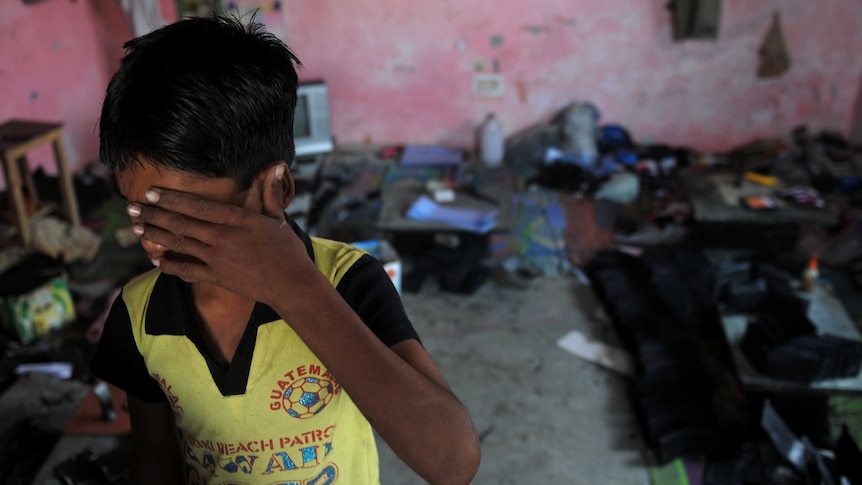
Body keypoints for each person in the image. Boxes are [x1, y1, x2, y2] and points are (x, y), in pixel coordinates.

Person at [90, 15, 480, 485]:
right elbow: (154, 453)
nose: (156, 242)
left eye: (184, 219)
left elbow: (453, 462)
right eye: (142, 216)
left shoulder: (346, 282)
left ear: (274, 190)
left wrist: (293, 287)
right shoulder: (139, 317)